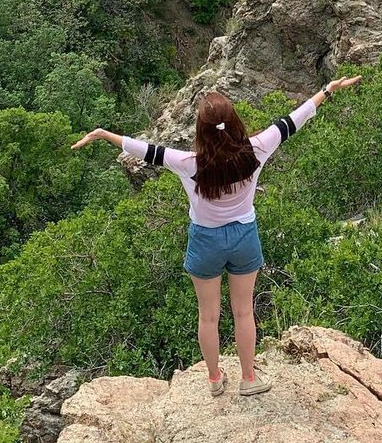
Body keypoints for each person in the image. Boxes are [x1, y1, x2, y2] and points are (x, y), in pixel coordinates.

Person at [71, 74, 362, 397]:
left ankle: (214, 379)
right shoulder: (256, 149)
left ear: (201, 129)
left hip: (205, 240)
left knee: (208, 316)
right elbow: (292, 121)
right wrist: (326, 91)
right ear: (234, 121)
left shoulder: (188, 163)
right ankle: (249, 378)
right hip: (243, 237)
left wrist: (102, 134)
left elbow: (146, 151)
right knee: (243, 311)